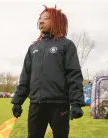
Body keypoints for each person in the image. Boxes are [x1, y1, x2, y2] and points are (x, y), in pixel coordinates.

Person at [11, 5, 85, 138]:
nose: (41, 21)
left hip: (59, 105)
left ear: (57, 21)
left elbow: (74, 75)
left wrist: (76, 103)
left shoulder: (66, 45)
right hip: (36, 105)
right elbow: (25, 77)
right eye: (40, 18)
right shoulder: (33, 48)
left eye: (46, 18)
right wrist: (17, 101)